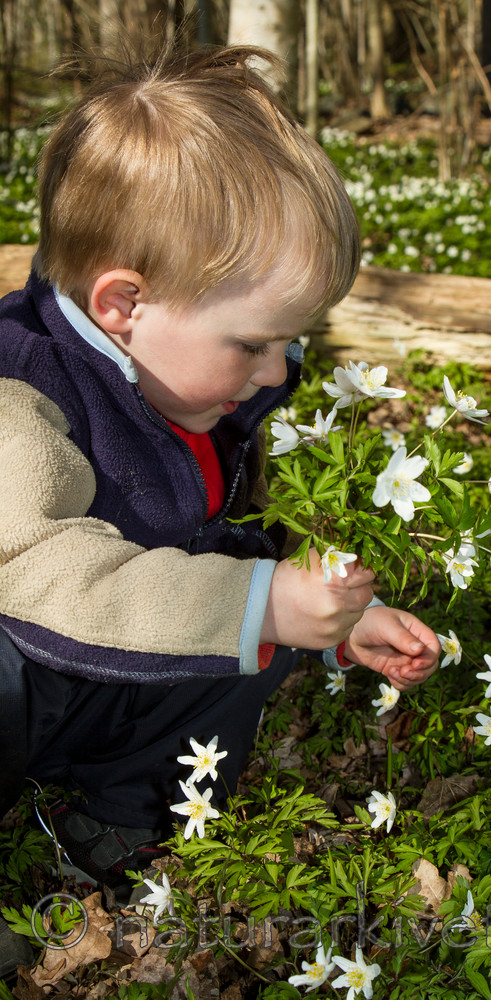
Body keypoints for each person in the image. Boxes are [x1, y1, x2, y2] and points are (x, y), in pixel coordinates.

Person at [0, 44, 440, 973]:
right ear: (126, 303)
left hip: (88, 683)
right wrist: (258, 601)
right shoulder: (18, 394)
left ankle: (120, 821)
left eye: (290, 342)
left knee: (238, 617)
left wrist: (332, 617)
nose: (277, 372)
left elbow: (246, 555)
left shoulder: (209, 388)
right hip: (22, 656)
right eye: (253, 343)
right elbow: (44, 575)